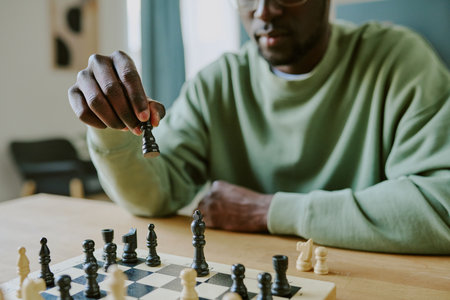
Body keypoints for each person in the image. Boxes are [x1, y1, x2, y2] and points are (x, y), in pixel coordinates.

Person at [68, 0, 450, 254]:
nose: (264, 10)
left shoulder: (400, 61)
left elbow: (440, 206)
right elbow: (154, 195)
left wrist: (269, 211)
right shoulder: (216, 83)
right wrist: (110, 126)